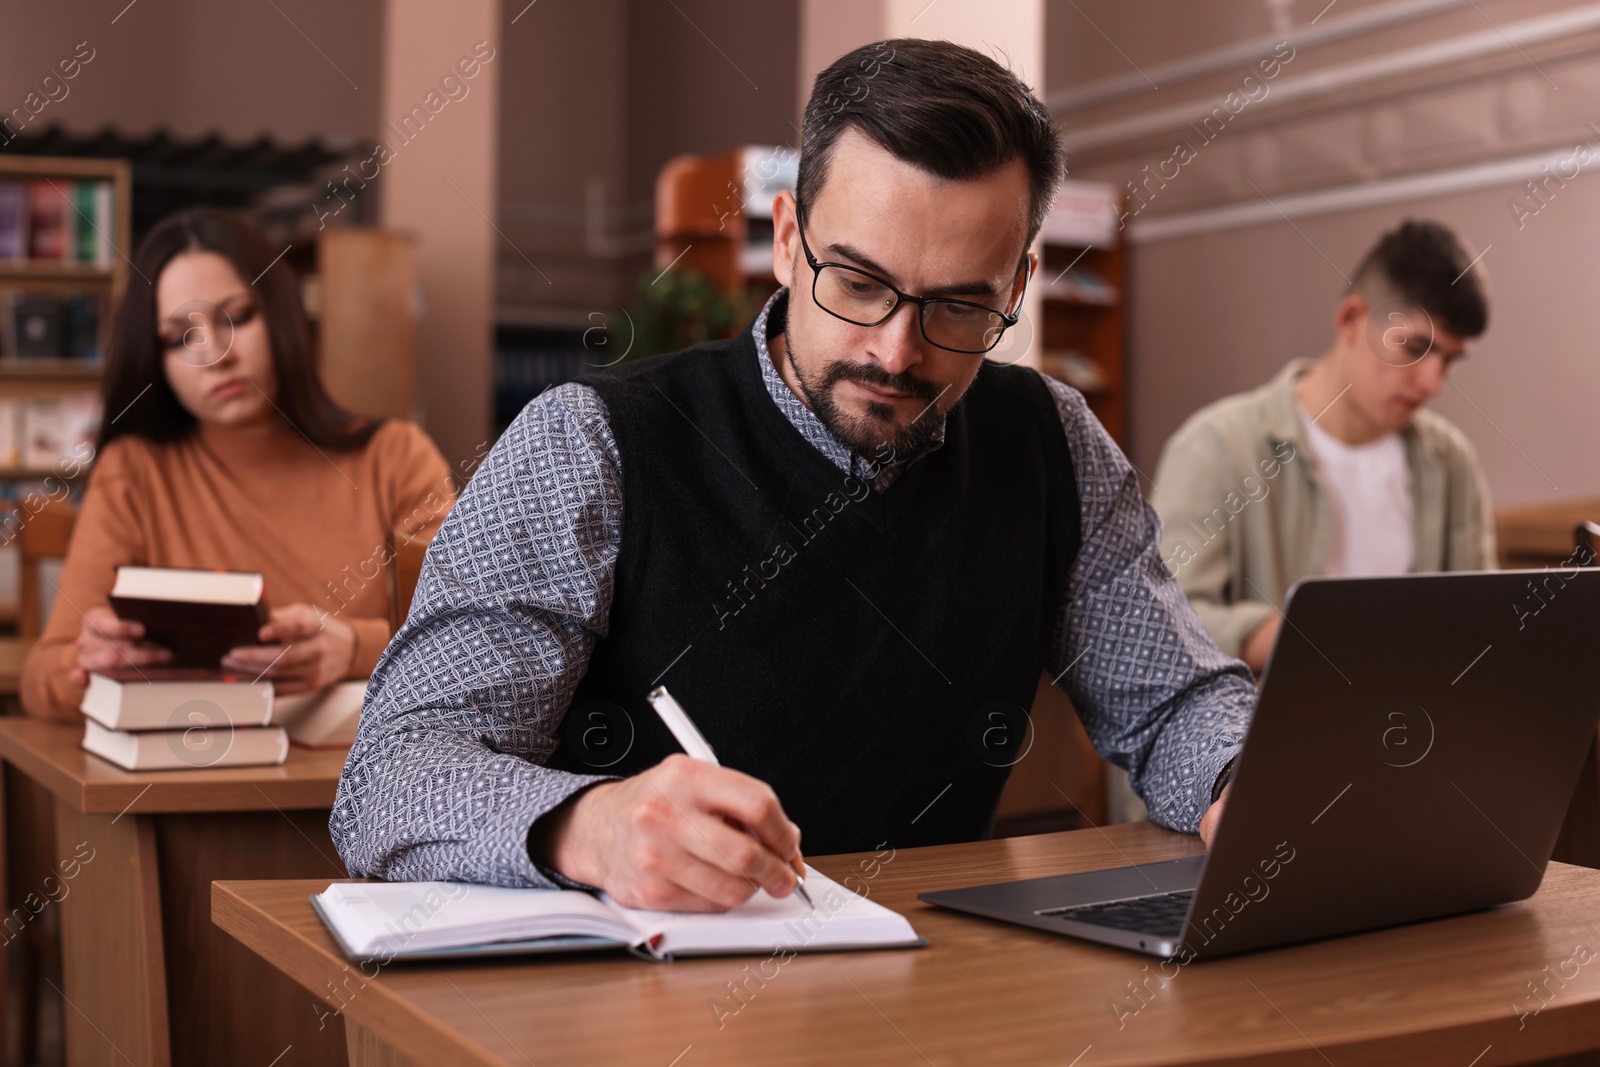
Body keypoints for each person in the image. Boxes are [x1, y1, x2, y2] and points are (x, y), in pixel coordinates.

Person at [332, 38, 1255, 912]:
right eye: (856, 283)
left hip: (936, 979)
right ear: (785, 240)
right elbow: (393, 775)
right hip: (636, 993)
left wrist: (1239, 779)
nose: (895, 352)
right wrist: (586, 826)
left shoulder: (1055, 441)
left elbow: (1176, 701)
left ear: (1015, 288)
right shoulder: (590, 444)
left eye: (959, 307)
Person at [20, 208, 455, 721]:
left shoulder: (395, 456)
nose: (214, 355)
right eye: (181, 337)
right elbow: (42, 680)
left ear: (282, 315)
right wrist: (92, 664)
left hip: (373, 783)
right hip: (199, 777)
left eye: (237, 317)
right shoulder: (134, 471)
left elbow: (472, 643)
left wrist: (353, 650)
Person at [1152, 220, 1495, 674]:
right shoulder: (1216, 446)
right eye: (1414, 347)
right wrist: (1289, 638)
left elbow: (1481, 623)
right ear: (1351, 319)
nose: (1432, 382)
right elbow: (1158, 624)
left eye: (1449, 360)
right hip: (1262, 734)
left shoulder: (1451, 462)